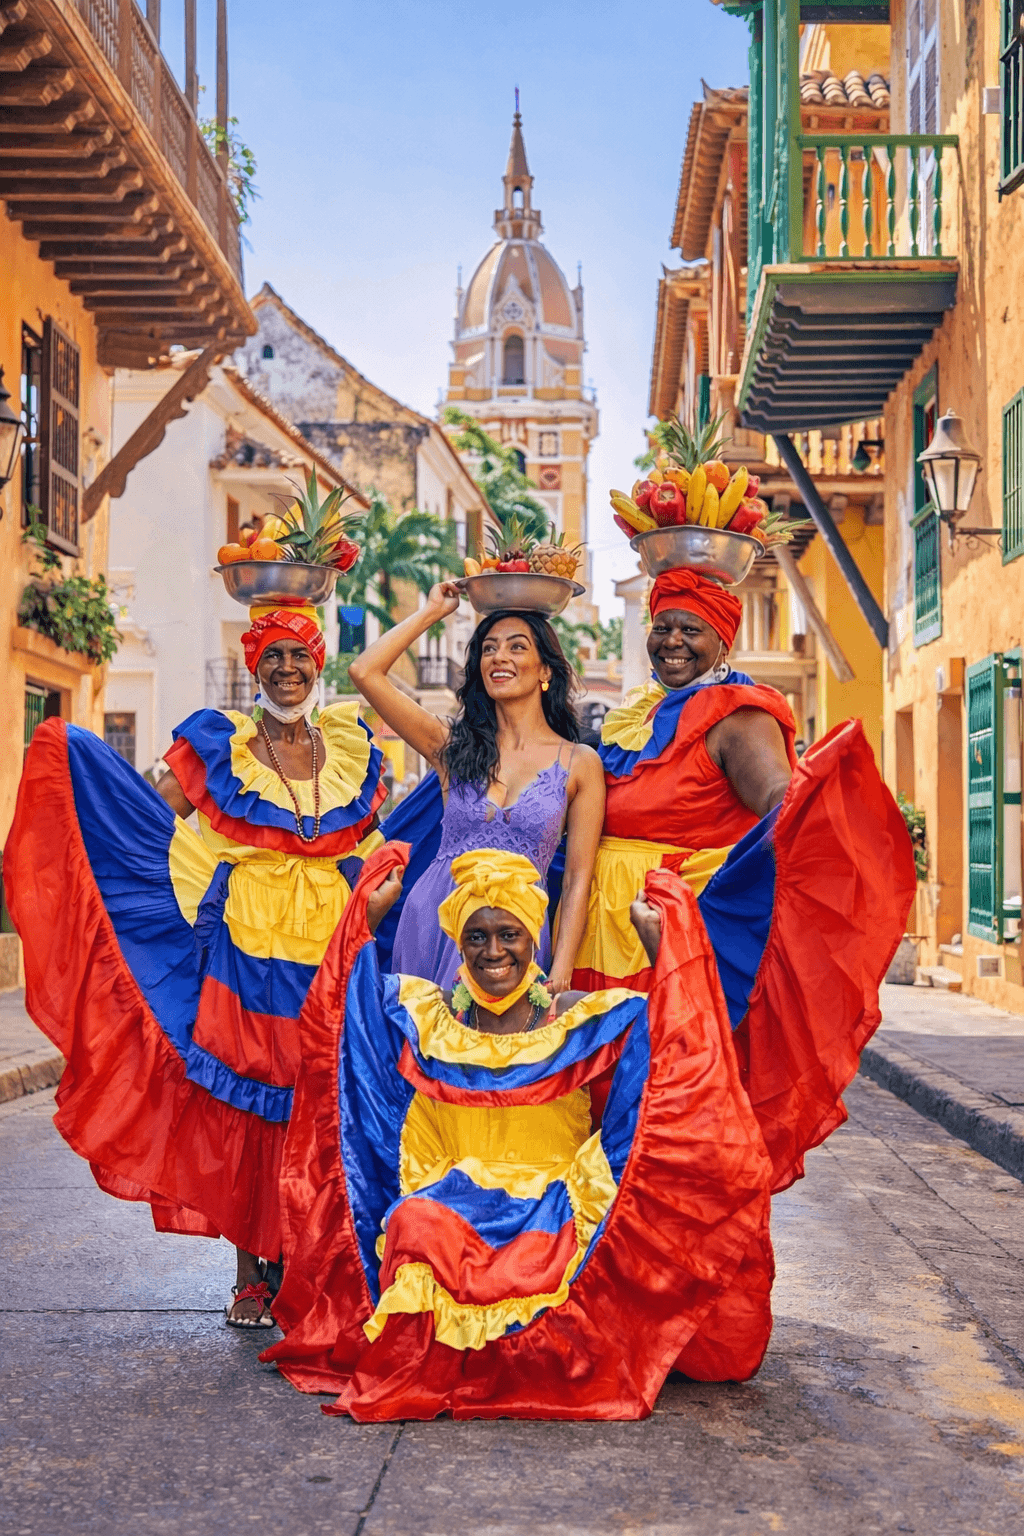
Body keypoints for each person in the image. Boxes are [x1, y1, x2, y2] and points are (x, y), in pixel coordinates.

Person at [259, 845, 776, 1419]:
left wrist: (662, 945)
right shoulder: (427, 1013)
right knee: (413, 1224)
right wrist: (367, 917)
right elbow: (337, 1017)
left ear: (534, 938)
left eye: (509, 934)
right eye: (476, 936)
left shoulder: (574, 1014)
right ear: (458, 943)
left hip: (553, 1201)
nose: (493, 951)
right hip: (448, 1199)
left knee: (617, 1218)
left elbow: (679, 1044)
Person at [4, 602, 387, 1328]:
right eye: (271, 657)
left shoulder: (349, 748)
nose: (286, 669)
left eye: (298, 656)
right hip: (243, 951)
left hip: (327, 955)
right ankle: (248, 1277)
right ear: (254, 668)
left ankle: (299, 1259)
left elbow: (364, 845)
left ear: (318, 665)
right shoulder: (222, 747)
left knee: (314, 1106)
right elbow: (157, 817)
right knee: (244, 1104)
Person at [573, 565, 916, 1197]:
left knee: (657, 1105)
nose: (673, 642)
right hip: (600, 939)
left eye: (691, 630)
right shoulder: (641, 716)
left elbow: (782, 808)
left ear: (722, 641)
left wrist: (823, 812)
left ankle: (664, 1237)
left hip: (662, 940)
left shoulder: (738, 715)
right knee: (597, 1101)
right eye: (662, 627)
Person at [348, 581, 605, 994]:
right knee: (426, 1034)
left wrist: (561, 969)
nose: (499, 656)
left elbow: (577, 878)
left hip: (517, 934)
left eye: (517, 647)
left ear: (546, 670)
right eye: (488, 648)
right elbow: (365, 672)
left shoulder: (580, 763)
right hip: (437, 921)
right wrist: (433, 611)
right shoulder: (451, 745)